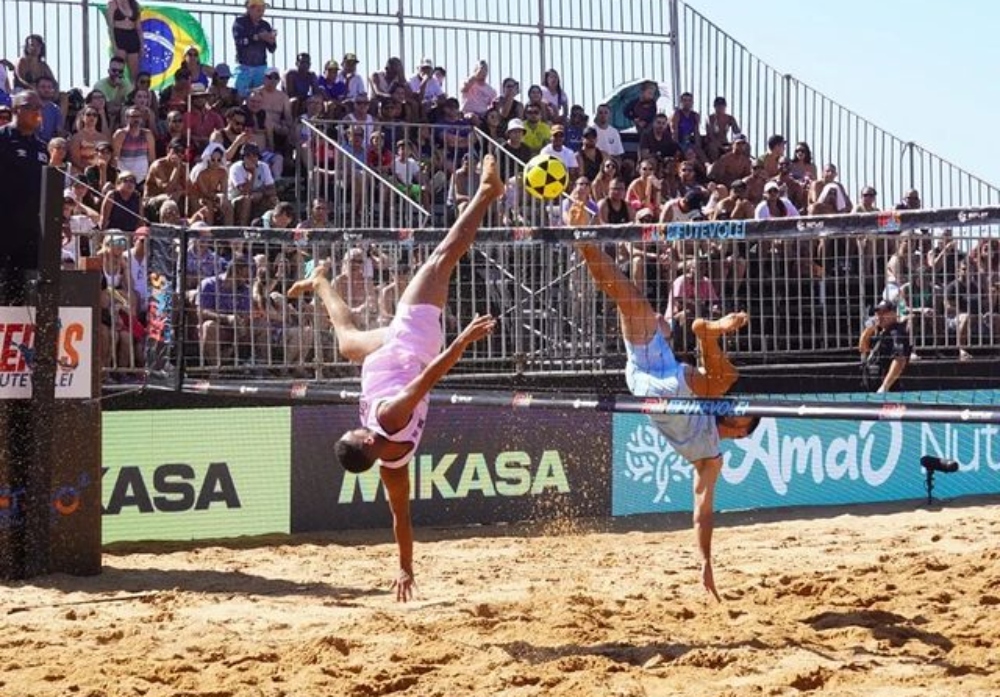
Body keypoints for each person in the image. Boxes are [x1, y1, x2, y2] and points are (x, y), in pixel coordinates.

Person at [285, 155, 505, 601]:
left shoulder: (391, 462)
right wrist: (461, 342)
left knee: (347, 340)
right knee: (444, 254)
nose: (357, 424)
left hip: (389, 351)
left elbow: (400, 519)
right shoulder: (389, 422)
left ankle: (320, 280)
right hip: (412, 336)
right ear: (367, 443)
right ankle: (487, 193)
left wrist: (405, 569)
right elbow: (429, 378)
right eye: (356, 430)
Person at [575, 242, 760, 600]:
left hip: (657, 388)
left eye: (741, 415)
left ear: (739, 433)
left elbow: (701, 511)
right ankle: (583, 238)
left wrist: (705, 560)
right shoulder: (715, 404)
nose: (737, 410)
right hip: (667, 366)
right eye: (741, 408)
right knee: (627, 296)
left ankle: (706, 333)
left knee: (722, 382)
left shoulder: (710, 457)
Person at [0, 91, 49, 288]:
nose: (37, 112)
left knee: (26, 291)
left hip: (30, 231)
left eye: (40, 108)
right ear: (15, 110)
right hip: (4, 228)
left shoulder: (41, 147)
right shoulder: (2, 139)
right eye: (30, 107)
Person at [859, 300, 911, 393]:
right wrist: (868, 330)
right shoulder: (881, 332)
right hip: (872, 387)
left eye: (883, 312)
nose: (879, 316)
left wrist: (885, 387)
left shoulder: (896, 333)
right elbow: (863, 349)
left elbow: (900, 360)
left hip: (890, 392)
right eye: (878, 313)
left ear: (894, 313)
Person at [232, 0, 277, 97]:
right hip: (244, 66)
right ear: (250, 9)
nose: (261, 13)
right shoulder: (240, 23)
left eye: (262, 10)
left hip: (261, 67)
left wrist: (271, 41)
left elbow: (272, 49)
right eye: (258, 10)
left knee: (260, 96)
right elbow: (240, 42)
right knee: (239, 95)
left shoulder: (265, 25)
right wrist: (258, 37)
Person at [105, 0, 143, 81]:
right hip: (119, 36)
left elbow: (139, 28)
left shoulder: (135, 5)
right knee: (118, 70)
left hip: (133, 36)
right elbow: (110, 27)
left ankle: (133, 91)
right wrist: (114, 44)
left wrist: (142, 47)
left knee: (135, 73)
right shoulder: (112, 4)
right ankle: (117, 91)